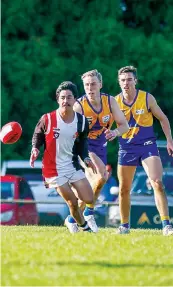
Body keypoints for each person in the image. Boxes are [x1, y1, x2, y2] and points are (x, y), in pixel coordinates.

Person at [29, 81, 97, 233]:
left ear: (75, 100)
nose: (66, 100)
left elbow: (82, 143)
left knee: (89, 198)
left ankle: (73, 220)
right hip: (53, 168)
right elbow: (38, 134)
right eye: (63, 97)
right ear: (58, 99)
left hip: (72, 165)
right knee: (72, 202)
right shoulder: (48, 118)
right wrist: (35, 148)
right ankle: (85, 229)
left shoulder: (81, 121)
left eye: (69, 97)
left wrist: (85, 158)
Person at [115, 65, 173, 236]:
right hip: (126, 147)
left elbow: (163, 118)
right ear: (119, 83)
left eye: (129, 80)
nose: (126, 83)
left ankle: (166, 225)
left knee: (157, 183)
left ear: (135, 81)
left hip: (147, 145)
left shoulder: (147, 98)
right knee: (124, 189)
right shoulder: (114, 102)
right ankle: (124, 226)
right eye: (123, 80)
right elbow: (103, 123)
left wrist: (169, 139)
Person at [72, 69, 129, 232]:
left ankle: (74, 217)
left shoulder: (110, 102)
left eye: (93, 84)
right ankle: (89, 212)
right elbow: (71, 132)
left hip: (101, 146)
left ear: (100, 85)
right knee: (101, 175)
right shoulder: (79, 106)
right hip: (84, 146)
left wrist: (115, 132)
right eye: (87, 85)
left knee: (98, 181)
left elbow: (124, 125)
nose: (90, 88)